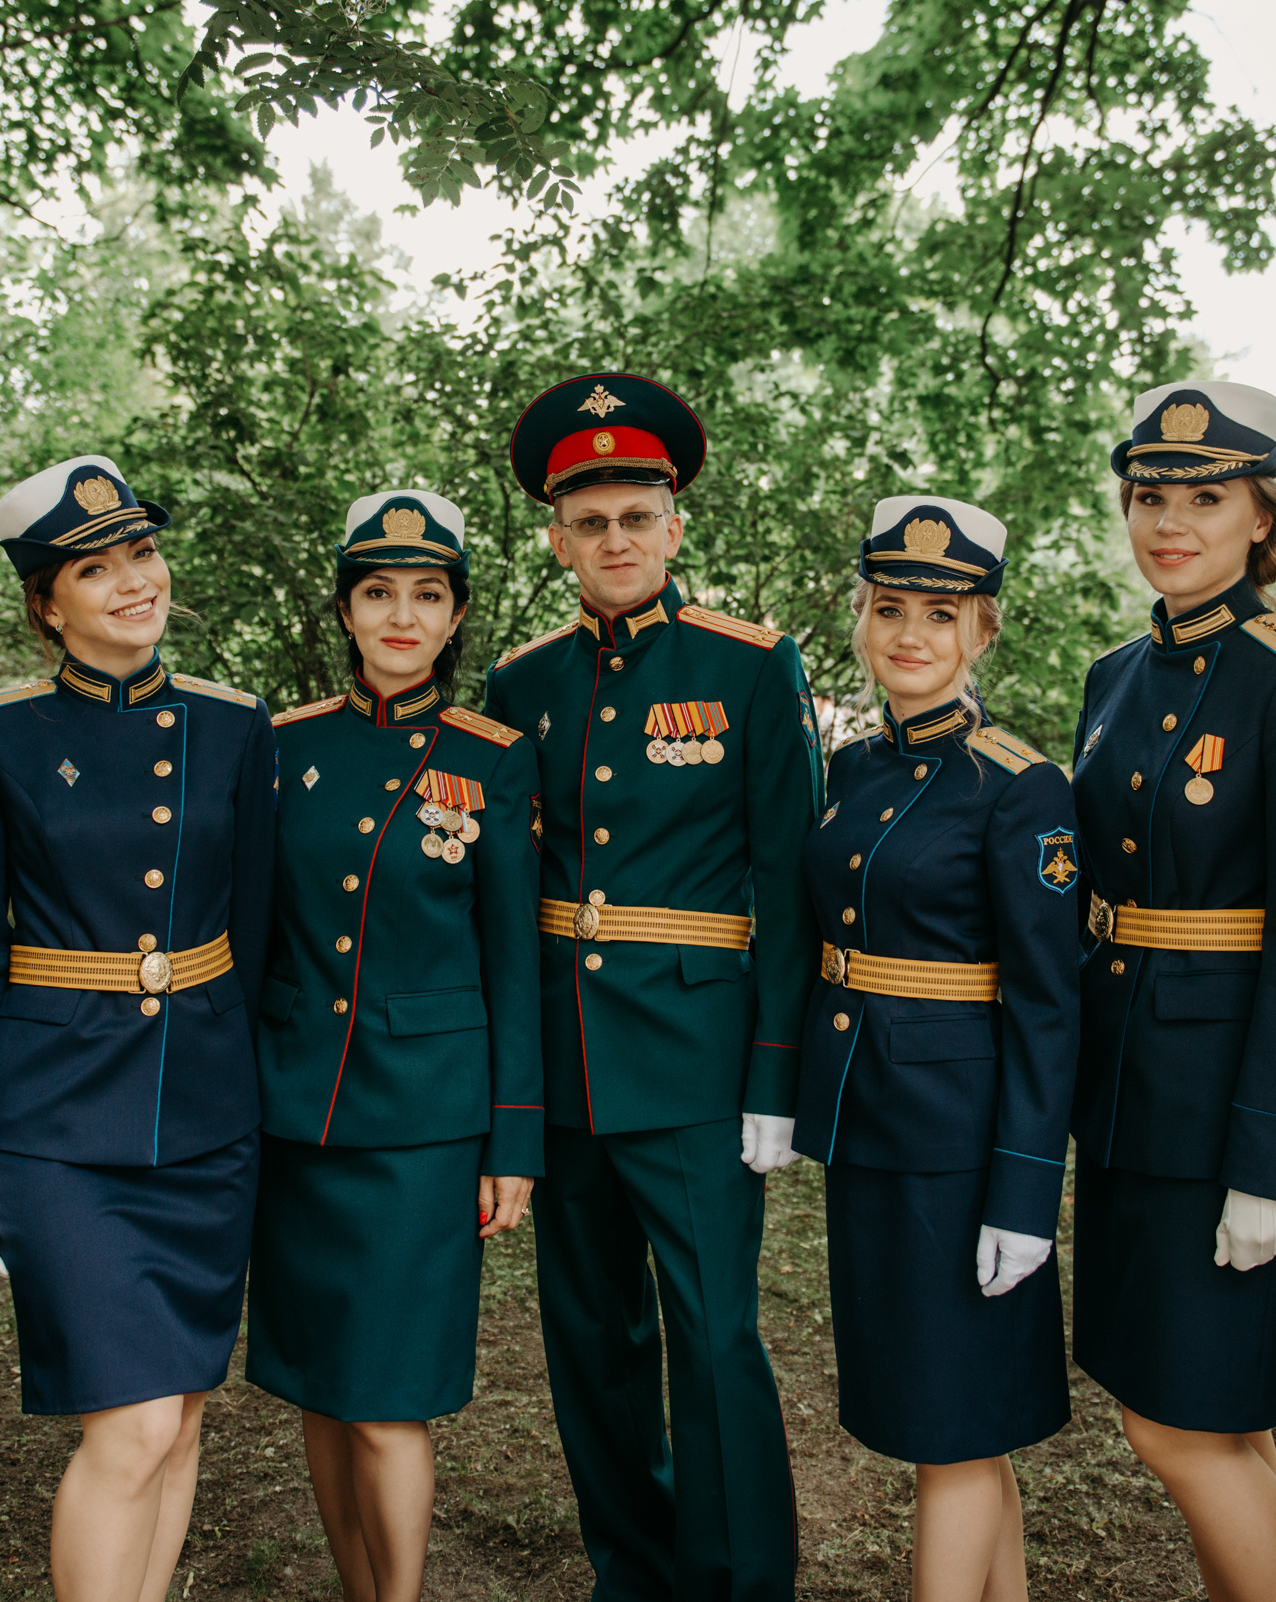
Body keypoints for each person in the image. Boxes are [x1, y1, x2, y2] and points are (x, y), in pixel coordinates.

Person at [480, 373, 821, 1602]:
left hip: (694, 1064)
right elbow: (505, 896)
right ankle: (632, 1570)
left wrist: (777, 1076)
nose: (613, 541)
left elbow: (791, 883)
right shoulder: (520, 685)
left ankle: (740, 1583)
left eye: (636, 516)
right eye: (589, 521)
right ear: (556, 537)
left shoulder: (750, 667)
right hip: (565, 1069)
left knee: (716, 1340)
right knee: (591, 1348)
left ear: (674, 527)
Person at [0, 456, 276, 1602]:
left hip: (209, 1114)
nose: (133, 581)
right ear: (47, 602)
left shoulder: (234, 724)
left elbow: (261, 931)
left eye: (141, 553)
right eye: (94, 567)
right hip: (61, 1117)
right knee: (125, 1428)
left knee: (180, 1419)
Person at [1071, 381, 1276, 1602]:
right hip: (1128, 1092)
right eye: (1151, 496)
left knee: (1180, 1429)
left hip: (1222, 1111)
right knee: (1216, 1424)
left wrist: (1275, 1156)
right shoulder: (1114, 677)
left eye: (1207, 496)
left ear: (1264, 516)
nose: (1171, 522)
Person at [246, 489, 542, 1602]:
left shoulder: (493, 757)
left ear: (458, 615)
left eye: (427, 595)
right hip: (297, 1115)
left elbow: (513, 958)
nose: (402, 615)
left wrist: (513, 1140)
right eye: (379, 593)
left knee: (388, 1400)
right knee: (319, 1386)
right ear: (347, 610)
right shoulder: (282, 747)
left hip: (424, 1123)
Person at [793, 497, 1079, 1602]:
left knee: (949, 1431)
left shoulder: (1020, 784)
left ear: (984, 633)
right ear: (864, 617)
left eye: (942, 615)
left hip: (961, 1144)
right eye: (892, 608)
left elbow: (1050, 1006)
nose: (912, 634)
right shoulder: (857, 769)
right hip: (874, 1124)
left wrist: (1022, 1192)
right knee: (960, 1422)